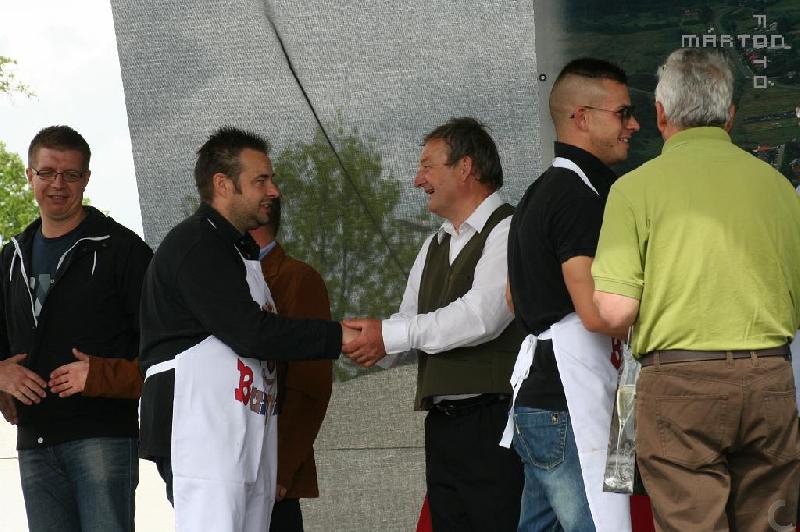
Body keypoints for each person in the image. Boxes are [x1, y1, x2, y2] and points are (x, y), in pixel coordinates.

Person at [592, 48, 800, 530]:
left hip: (679, 387)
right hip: (769, 380)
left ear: (661, 115)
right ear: (730, 115)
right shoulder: (778, 188)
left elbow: (616, 311)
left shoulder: (633, 190)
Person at [138, 127, 354, 532]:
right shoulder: (197, 245)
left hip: (241, 429)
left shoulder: (236, 250)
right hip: (201, 429)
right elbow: (250, 332)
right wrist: (339, 336)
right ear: (223, 184)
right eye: (261, 180)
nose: (273, 191)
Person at [343, 117, 524, 531]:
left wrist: (387, 335)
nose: (417, 180)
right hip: (443, 425)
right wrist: (365, 342)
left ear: (465, 167)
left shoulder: (510, 229)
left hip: (497, 420)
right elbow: (408, 322)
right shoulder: (433, 244)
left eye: (427, 166)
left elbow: (482, 316)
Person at [503, 58, 639, 531]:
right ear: (581, 117)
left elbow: (513, 298)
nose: (634, 125)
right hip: (567, 403)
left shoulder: (539, 192)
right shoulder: (575, 197)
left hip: (545, 398)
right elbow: (597, 312)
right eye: (623, 113)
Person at [0, 125, 152, 531]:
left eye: (70, 174)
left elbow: (162, 351)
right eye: (47, 172)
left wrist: (101, 374)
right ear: (29, 176)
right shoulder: (11, 257)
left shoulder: (122, 250)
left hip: (102, 437)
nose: (58, 184)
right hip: (34, 441)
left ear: (86, 179)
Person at [250, 196, 333, 532]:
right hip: (229, 470)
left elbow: (310, 385)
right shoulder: (222, 281)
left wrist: (280, 469)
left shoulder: (297, 278)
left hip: (271, 478)